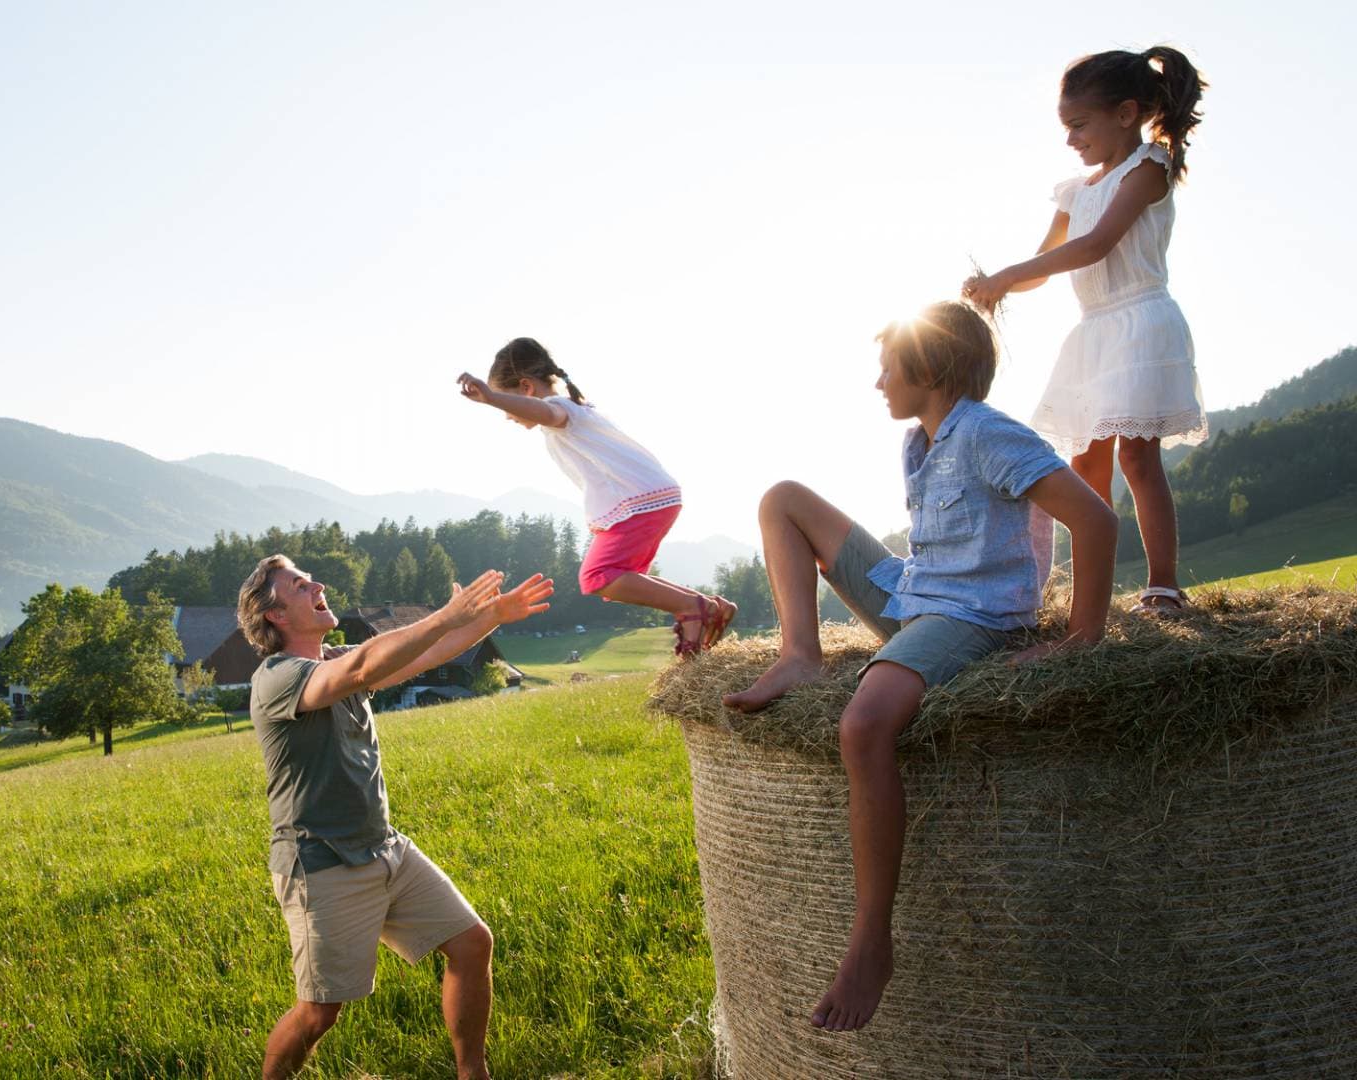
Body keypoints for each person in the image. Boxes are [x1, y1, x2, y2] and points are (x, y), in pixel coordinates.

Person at [721, 301, 1117, 1032]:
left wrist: (1081, 638)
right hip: (916, 592)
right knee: (783, 500)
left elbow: (1094, 518)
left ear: (930, 368)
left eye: (889, 366)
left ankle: (873, 937)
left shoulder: (989, 435)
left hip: (970, 618)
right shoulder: (922, 440)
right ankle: (800, 656)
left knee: (863, 724)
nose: (878, 381)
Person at [238, 555, 553, 1079]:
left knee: (472, 942)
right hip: (321, 863)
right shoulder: (277, 679)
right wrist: (451, 614)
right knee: (320, 1012)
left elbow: (422, 654)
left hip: (384, 847)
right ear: (275, 616)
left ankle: (473, 1074)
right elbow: (362, 668)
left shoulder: (332, 660)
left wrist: (491, 617)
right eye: (298, 585)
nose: (317, 584)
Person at [964, 46, 1208, 612]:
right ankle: (1087, 592)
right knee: (1085, 465)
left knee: (1138, 458)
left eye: (1078, 125)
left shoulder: (1148, 168)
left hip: (1140, 322)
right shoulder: (1076, 191)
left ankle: (1163, 583)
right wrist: (991, 287)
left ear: (1126, 113)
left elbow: (1096, 247)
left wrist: (1009, 275)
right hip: (1092, 332)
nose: (1071, 139)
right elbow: (1044, 264)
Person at [457, 337, 735, 658]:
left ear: (526, 387)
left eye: (509, 404)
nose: (508, 415)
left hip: (637, 500)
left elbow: (545, 413)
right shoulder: (577, 411)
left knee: (597, 576)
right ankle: (709, 607)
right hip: (651, 496)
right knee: (621, 578)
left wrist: (492, 398)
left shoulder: (561, 411)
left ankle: (692, 608)